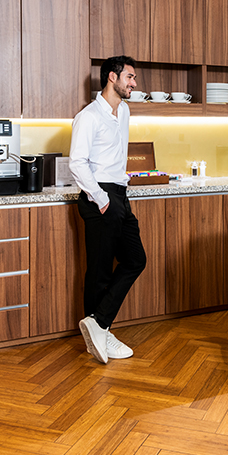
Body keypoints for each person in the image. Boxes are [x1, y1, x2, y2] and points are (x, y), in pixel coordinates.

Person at [69, 55, 147, 364]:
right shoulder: (88, 116)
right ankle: (99, 334)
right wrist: (102, 199)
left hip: (119, 194)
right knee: (99, 271)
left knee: (135, 259)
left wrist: (119, 192)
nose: (134, 83)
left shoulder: (124, 111)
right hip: (98, 196)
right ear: (112, 78)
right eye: (130, 77)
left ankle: (98, 323)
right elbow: (77, 162)